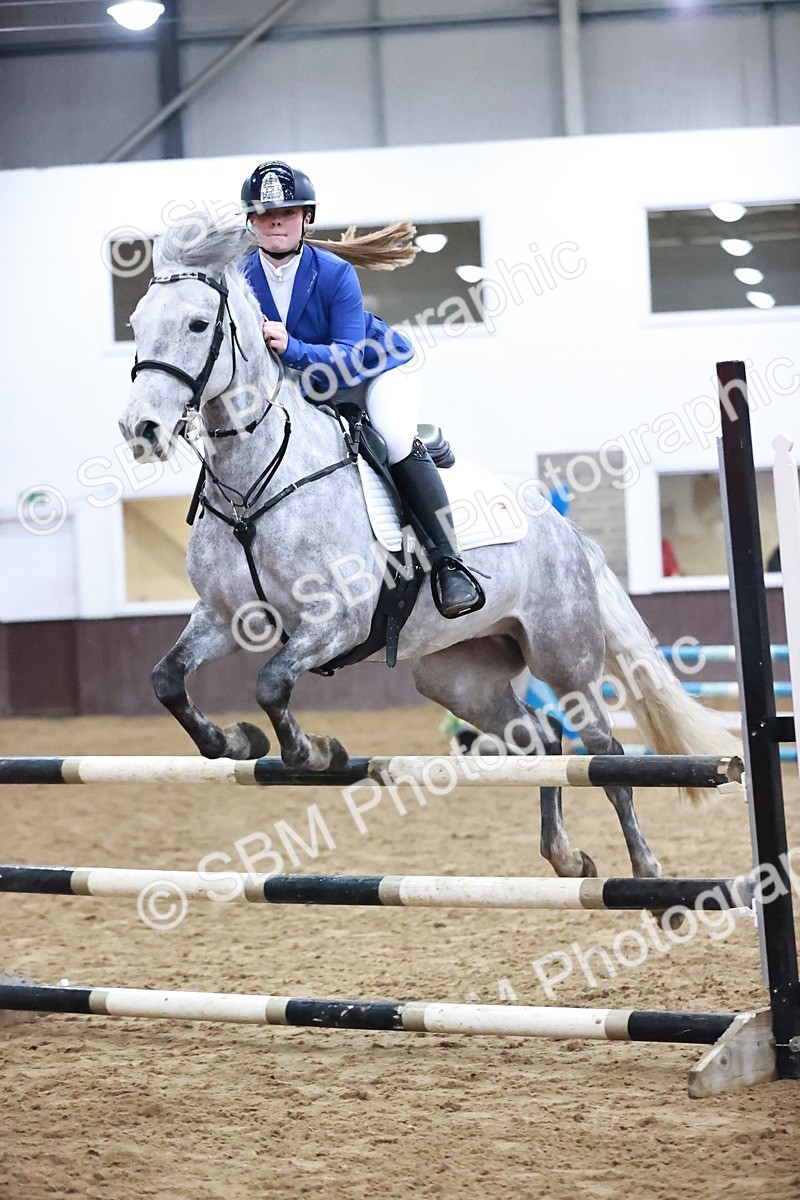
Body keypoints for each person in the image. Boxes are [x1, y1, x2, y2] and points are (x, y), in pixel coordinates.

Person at [239, 159, 482, 619]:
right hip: (307, 386)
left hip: (374, 370)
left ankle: (451, 564)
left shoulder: (333, 273)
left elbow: (349, 355)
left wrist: (291, 348)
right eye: (264, 213)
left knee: (391, 439)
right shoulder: (243, 277)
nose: (275, 221)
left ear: (305, 218)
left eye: (287, 213)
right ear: (251, 221)